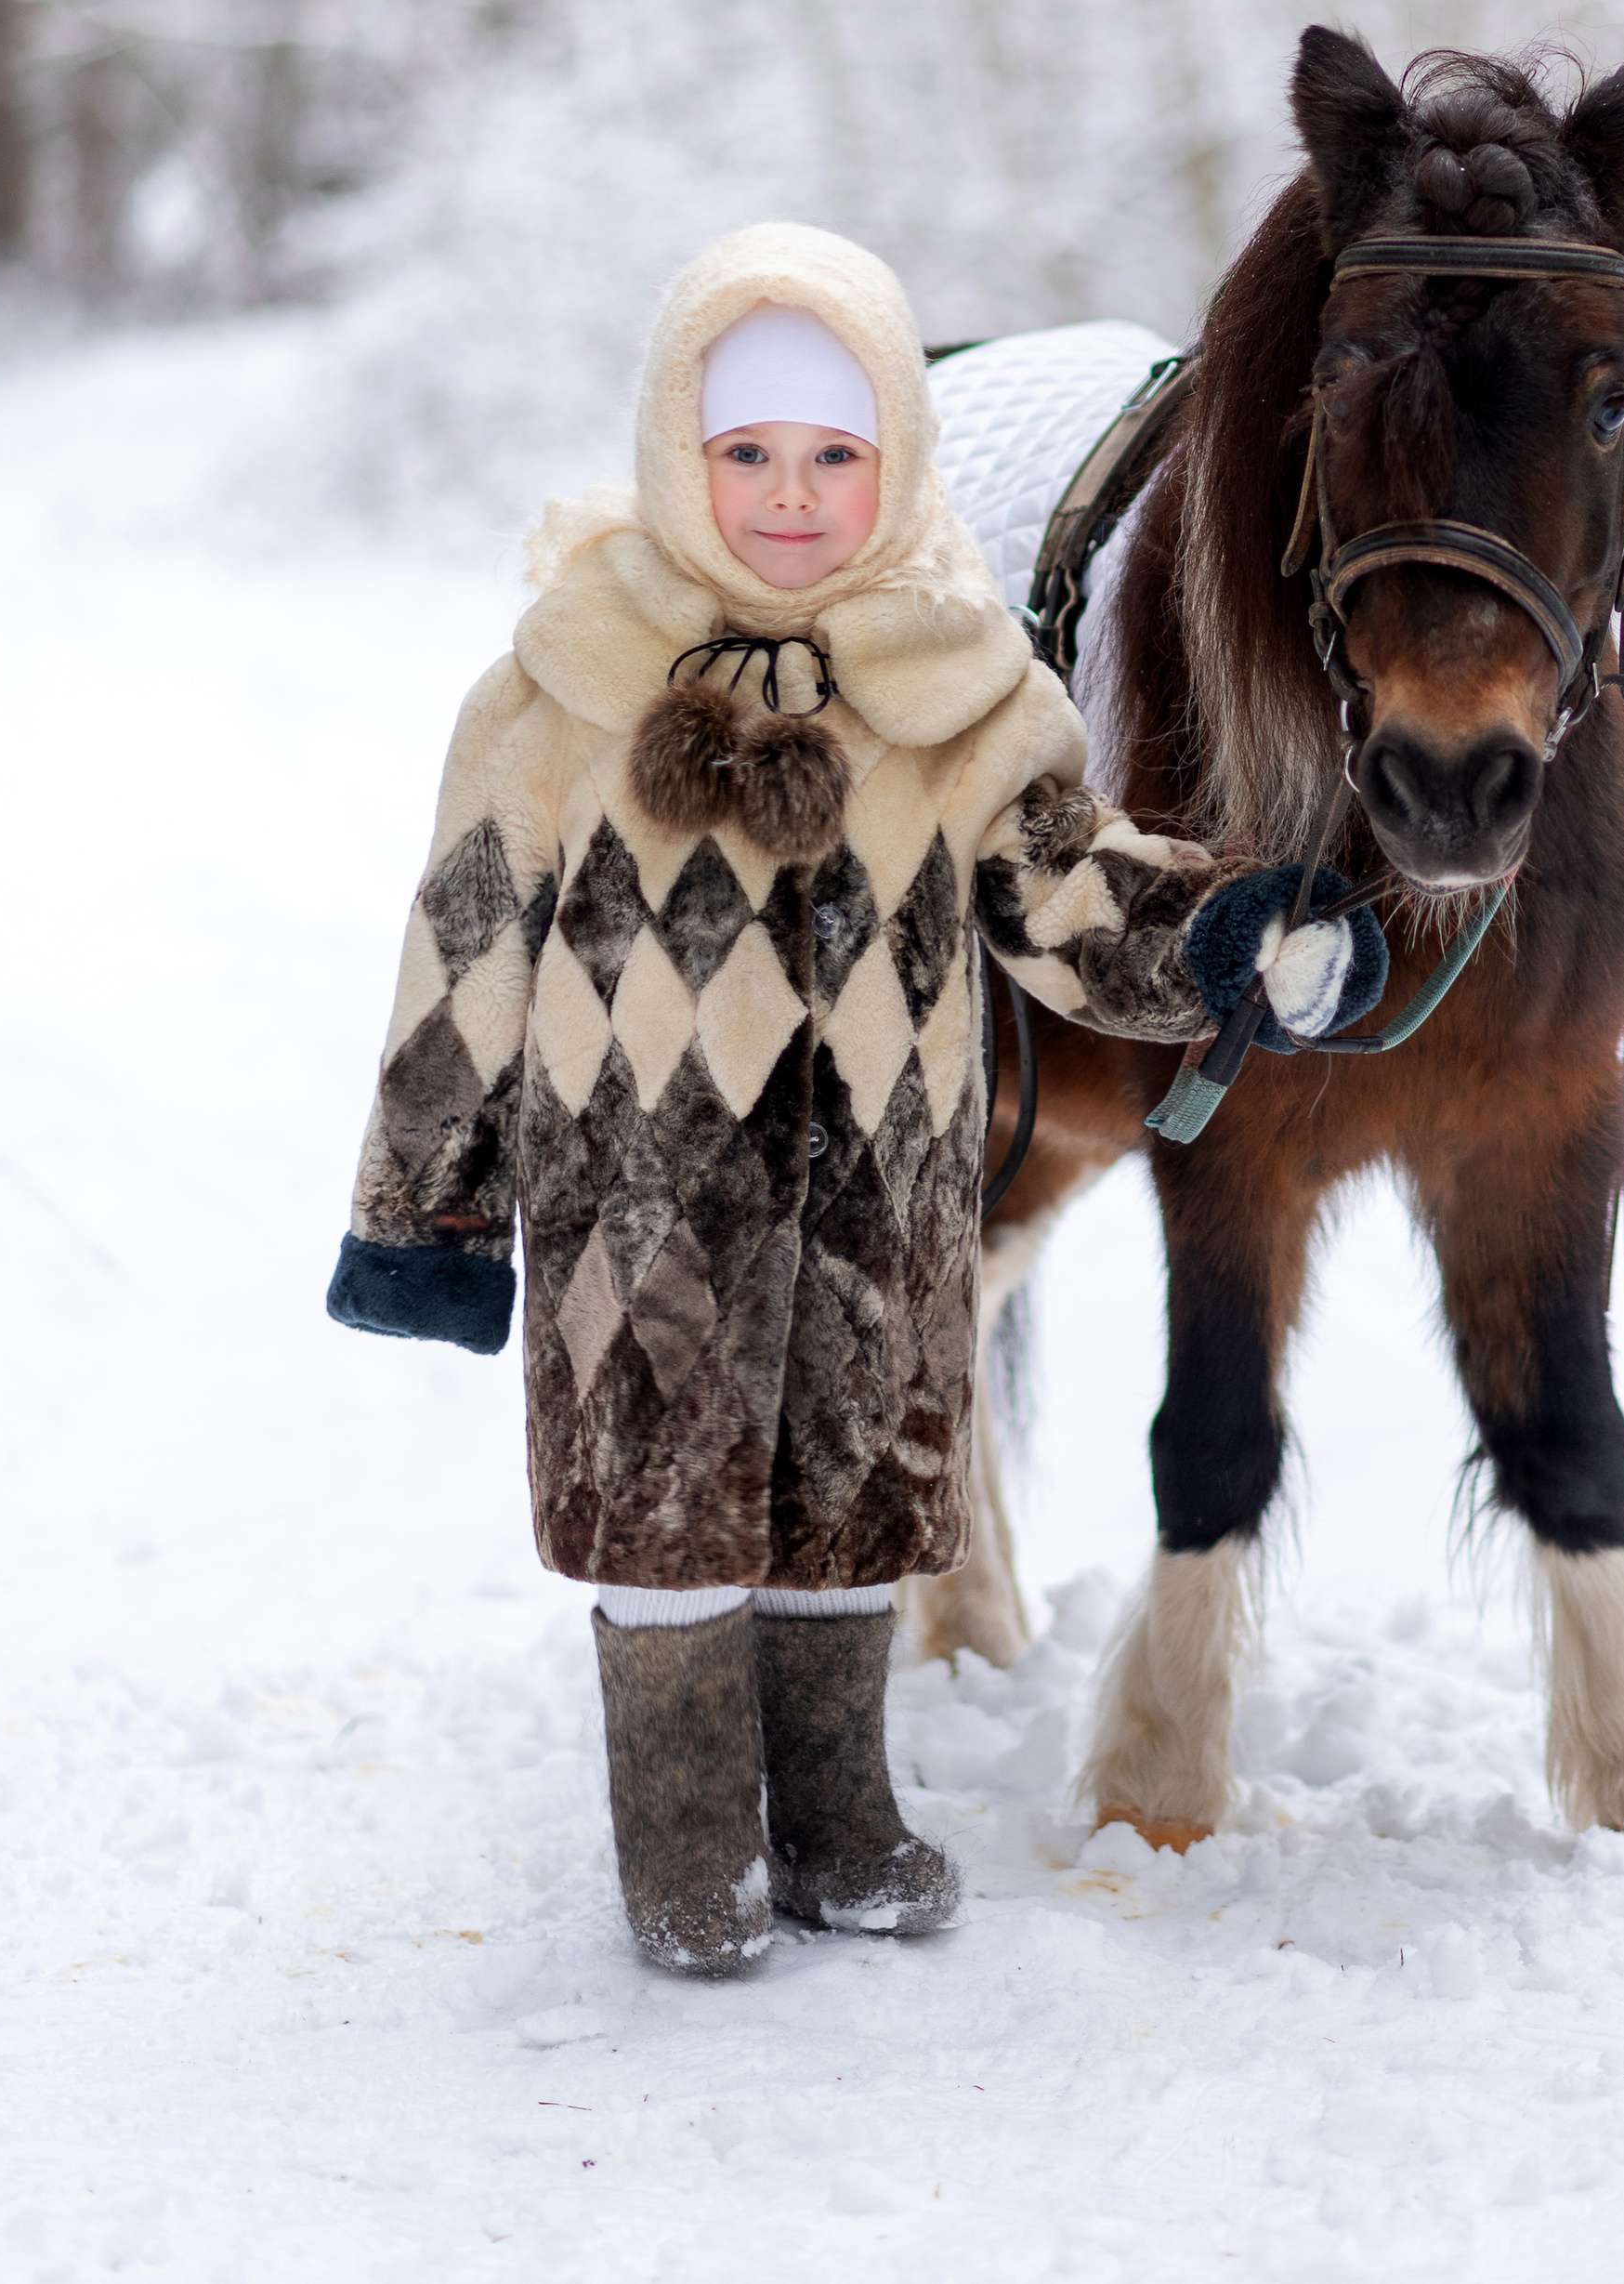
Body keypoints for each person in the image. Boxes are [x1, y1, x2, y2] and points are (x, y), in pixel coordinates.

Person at [325, 223, 1386, 1976]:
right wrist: (425, 1209)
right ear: (676, 446)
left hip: (882, 1205)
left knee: (850, 1511)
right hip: (639, 1214)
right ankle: (687, 1841)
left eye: (835, 454)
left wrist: (1226, 941)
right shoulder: (564, 685)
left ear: (898, 453)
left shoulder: (956, 689)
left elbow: (1065, 885)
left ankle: (838, 1817)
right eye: (746, 451)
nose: (791, 494)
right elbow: (463, 956)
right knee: (663, 1516)